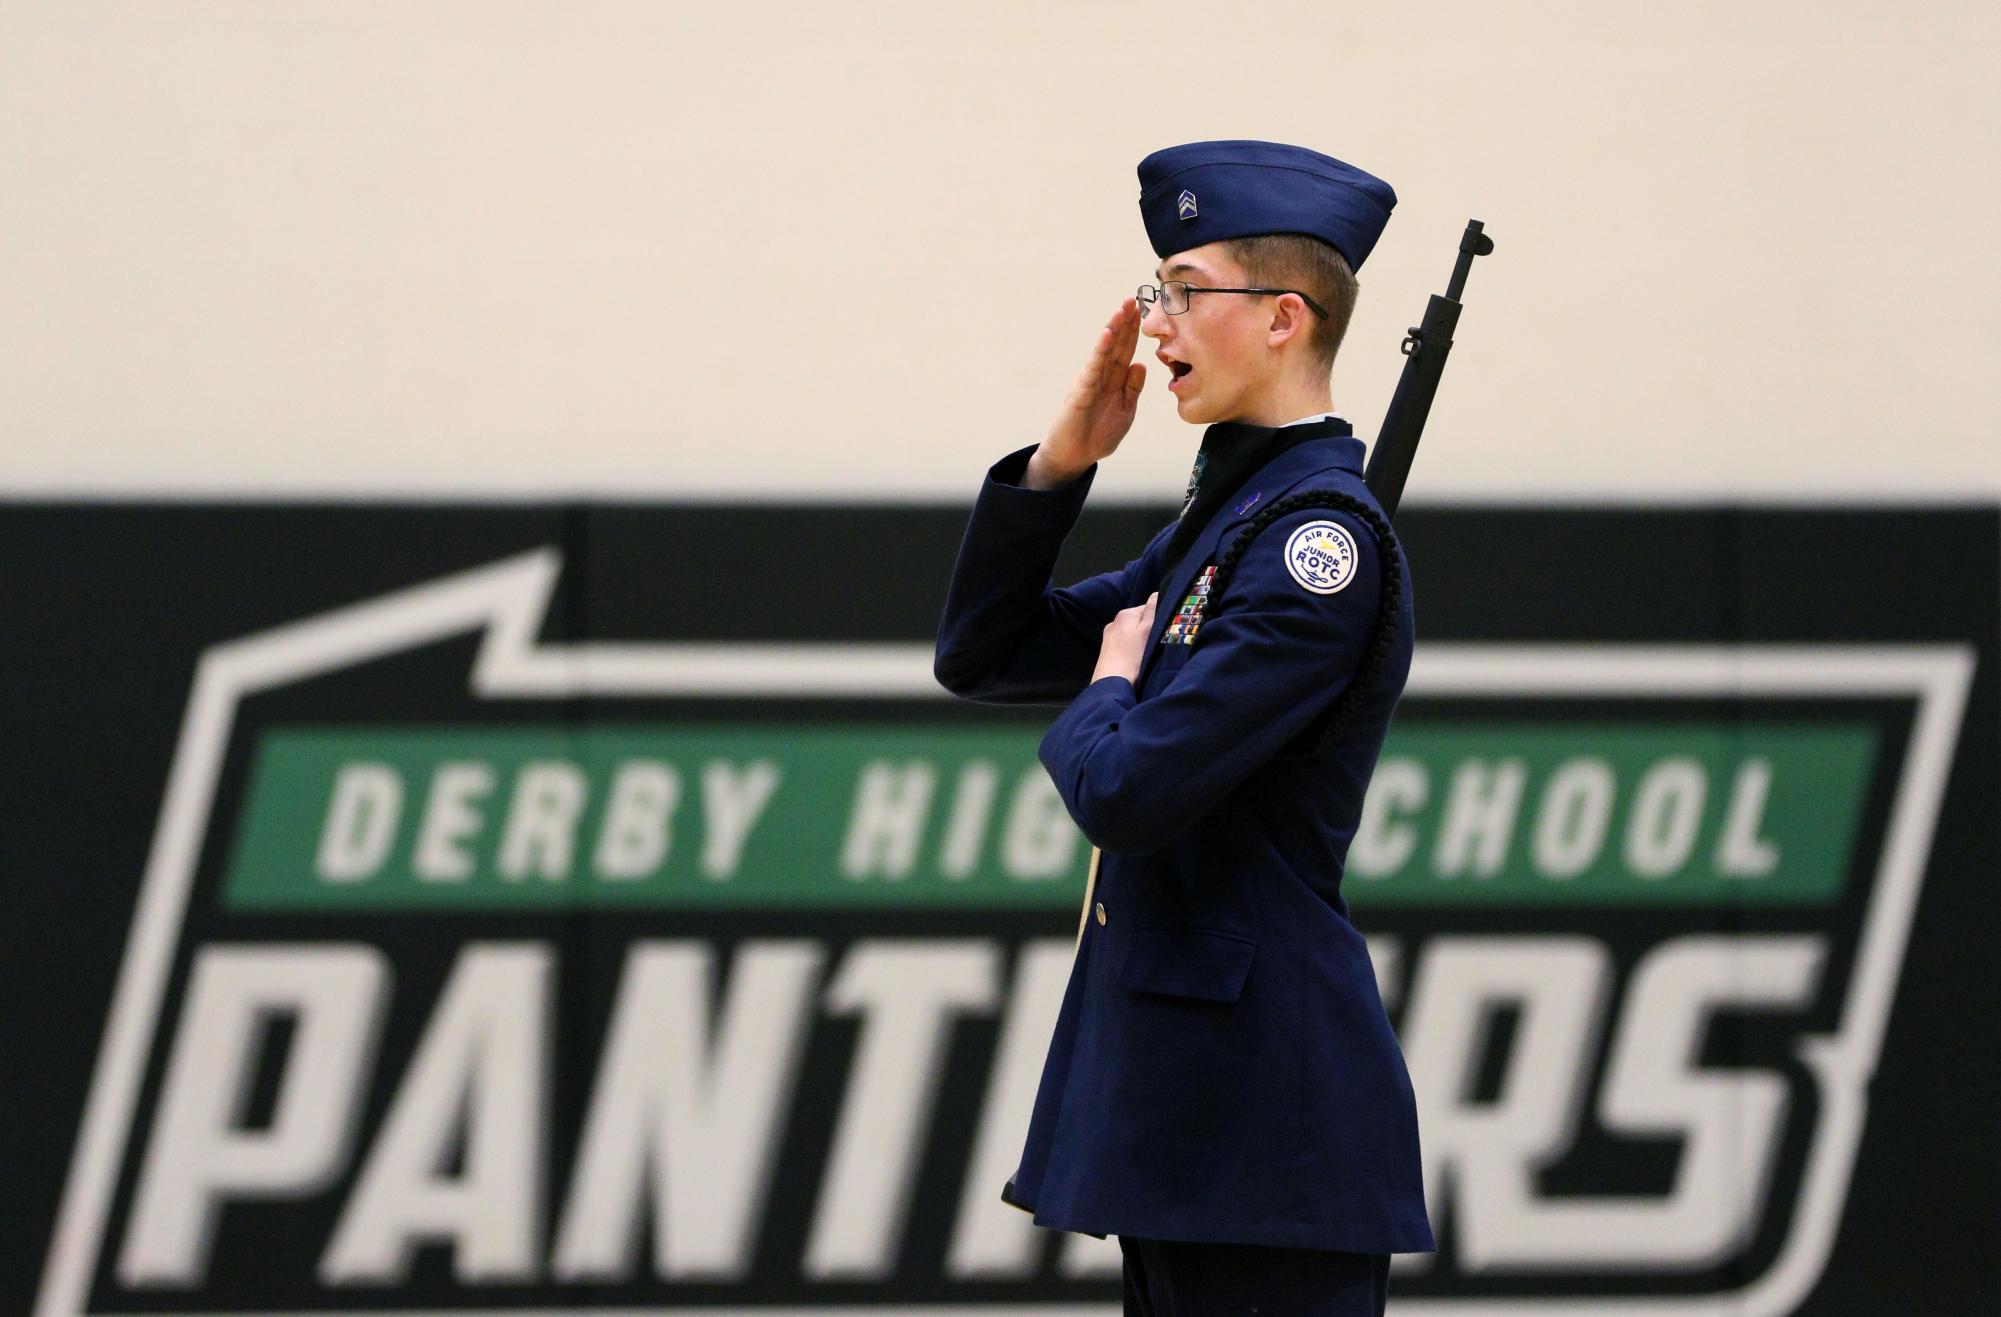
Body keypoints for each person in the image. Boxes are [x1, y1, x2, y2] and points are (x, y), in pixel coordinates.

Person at [933, 140, 1432, 1316]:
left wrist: (1112, 688)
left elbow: (1130, 791)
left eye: (1183, 289)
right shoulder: (1233, 517)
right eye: (1157, 289)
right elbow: (985, 656)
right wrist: (1064, 464)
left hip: (1266, 1129)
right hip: (1191, 1128)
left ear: (1281, 319)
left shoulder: (1318, 547)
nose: (1154, 323)